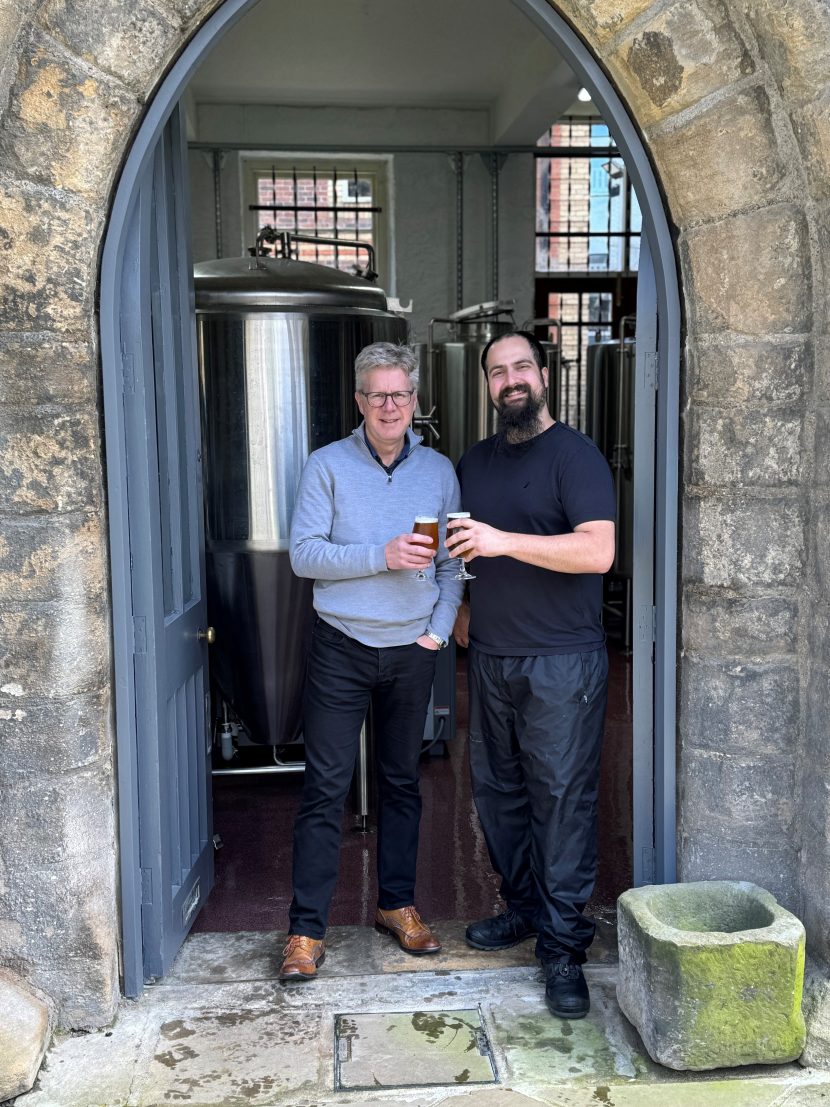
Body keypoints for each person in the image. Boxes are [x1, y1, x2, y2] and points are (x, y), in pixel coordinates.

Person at [281, 341, 463, 983]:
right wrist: (379, 555)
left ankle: (396, 905)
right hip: (341, 646)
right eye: (377, 395)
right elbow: (304, 554)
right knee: (325, 788)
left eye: (401, 395)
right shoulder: (327, 465)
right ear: (359, 401)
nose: (390, 406)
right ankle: (306, 930)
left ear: (416, 401)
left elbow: (452, 563)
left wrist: (438, 634)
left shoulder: (439, 471)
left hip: (411, 651)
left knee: (403, 785)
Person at [446, 330, 615, 1020]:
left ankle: (564, 947)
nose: (510, 379)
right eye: (497, 371)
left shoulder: (576, 457)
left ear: (542, 375)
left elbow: (597, 551)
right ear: (487, 384)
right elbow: (456, 543)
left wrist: (501, 541)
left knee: (561, 799)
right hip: (491, 656)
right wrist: (459, 599)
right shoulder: (473, 462)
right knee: (499, 795)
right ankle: (524, 909)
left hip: (561, 661)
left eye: (520, 367)